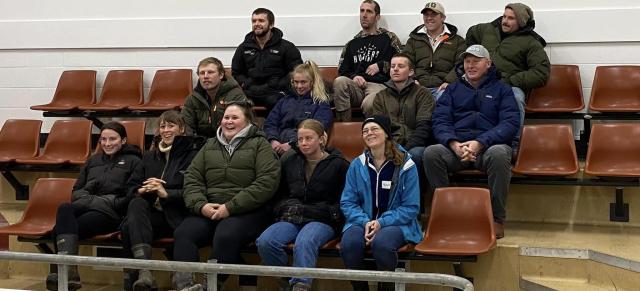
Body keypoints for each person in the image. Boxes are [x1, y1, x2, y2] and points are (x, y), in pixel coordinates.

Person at [173, 101, 280, 291]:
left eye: (235, 117)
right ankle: (184, 285)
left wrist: (230, 207)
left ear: (248, 122)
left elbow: (266, 183)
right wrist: (200, 205)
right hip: (210, 209)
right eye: (226, 117)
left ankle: (211, 285)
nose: (229, 122)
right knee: (184, 233)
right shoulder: (209, 145)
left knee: (226, 234)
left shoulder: (260, 145)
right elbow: (192, 178)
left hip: (247, 211)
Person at [423, 45, 519, 239]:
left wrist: (480, 142)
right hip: (457, 149)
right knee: (431, 153)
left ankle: (496, 218)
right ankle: (446, 215)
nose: (470, 65)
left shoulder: (503, 89)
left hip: (488, 149)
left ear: (488, 64)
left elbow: (510, 123)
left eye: (476, 61)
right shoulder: (452, 90)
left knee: (500, 154)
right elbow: (440, 121)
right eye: (467, 61)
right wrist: (453, 144)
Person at [46, 122, 143, 291]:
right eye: (103, 139)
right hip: (87, 205)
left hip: (111, 214)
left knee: (58, 230)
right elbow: (76, 191)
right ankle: (69, 275)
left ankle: (67, 277)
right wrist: (93, 198)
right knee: (64, 208)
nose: (107, 143)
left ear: (123, 140)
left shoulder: (135, 161)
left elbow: (131, 195)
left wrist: (101, 200)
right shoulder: (93, 160)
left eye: (112, 139)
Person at [256, 119, 349, 291]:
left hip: (322, 219)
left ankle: (301, 286)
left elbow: (344, 201)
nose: (304, 143)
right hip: (293, 216)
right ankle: (286, 281)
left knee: (305, 242)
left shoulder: (339, 164)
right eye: (300, 139)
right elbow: (279, 193)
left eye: (309, 138)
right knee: (265, 241)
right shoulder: (290, 159)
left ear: (321, 139)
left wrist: (331, 214)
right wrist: (283, 208)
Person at [120, 111, 205, 291]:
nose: (166, 130)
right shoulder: (149, 156)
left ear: (181, 129)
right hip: (155, 216)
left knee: (129, 228)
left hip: (181, 216)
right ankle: (145, 272)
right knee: (135, 205)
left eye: (171, 126)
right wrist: (142, 190)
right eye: (162, 126)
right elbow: (129, 188)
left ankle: (139, 281)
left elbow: (196, 192)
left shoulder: (195, 155)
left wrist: (166, 193)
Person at [340, 115, 422, 291]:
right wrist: (365, 222)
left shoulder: (406, 165)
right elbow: (347, 202)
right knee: (349, 244)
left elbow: (411, 207)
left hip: (397, 224)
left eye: (374, 129)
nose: (369, 133)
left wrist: (381, 222)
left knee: (382, 244)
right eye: (365, 131)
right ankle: (360, 289)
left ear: (386, 134)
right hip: (362, 222)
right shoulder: (356, 165)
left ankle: (387, 288)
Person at [466, 3, 550, 142]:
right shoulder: (487, 29)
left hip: (508, 85)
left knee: (516, 98)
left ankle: (514, 145)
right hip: (480, 82)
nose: (505, 21)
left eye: (511, 18)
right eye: (504, 16)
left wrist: (511, 80)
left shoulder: (531, 42)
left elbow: (541, 73)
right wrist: (473, 55)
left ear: (521, 22)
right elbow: (471, 33)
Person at [333, 0, 401, 121]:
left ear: (377, 16)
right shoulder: (352, 43)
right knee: (339, 82)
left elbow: (402, 62)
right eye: (362, 11)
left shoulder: (388, 38)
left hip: (379, 85)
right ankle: (344, 128)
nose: (364, 15)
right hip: (356, 86)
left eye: (369, 11)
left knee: (369, 103)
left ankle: (372, 132)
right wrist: (354, 76)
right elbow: (342, 70)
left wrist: (381, 65)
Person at [232, 8, 303, 110]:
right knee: (235, 103)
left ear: (271, 24)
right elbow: (236, 72)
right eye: (254, 21)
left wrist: (278, 84)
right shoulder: (243, 48)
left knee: (277, 103)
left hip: (275, 92)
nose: (256, 24)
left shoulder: (286, 47)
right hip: (251, 91)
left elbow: (296, 71)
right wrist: (246, 83)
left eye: (261, 21)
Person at [264, 60, 333, 156]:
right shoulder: (284, 101)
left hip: (301, 148)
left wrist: (292, 144)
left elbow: (316, 130)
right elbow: (270, 123)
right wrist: (273, 140)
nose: (299, 86)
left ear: (312, 82)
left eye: (303, 82)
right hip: (277, 145)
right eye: (296, 82)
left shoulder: (321, 104)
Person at [403, 2, 466, 101]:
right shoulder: (413, 40)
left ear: (443, 18)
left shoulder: (458, 41)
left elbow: (461, 64)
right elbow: (405, 61)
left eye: (434, 14)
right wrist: (412, 80)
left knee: (444, 101)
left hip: (443, 88)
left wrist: (449, 82)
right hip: (417, 87)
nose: (429, 18)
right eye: (426, 15)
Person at [182, 57, 248, 138]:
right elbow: (186, 126)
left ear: (221, 75)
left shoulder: (236, 96)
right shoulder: (193, 98)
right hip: (201, 144)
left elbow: (241, 128)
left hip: (228, 142)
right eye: (202, 73)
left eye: (210, 72)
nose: (205, 76)